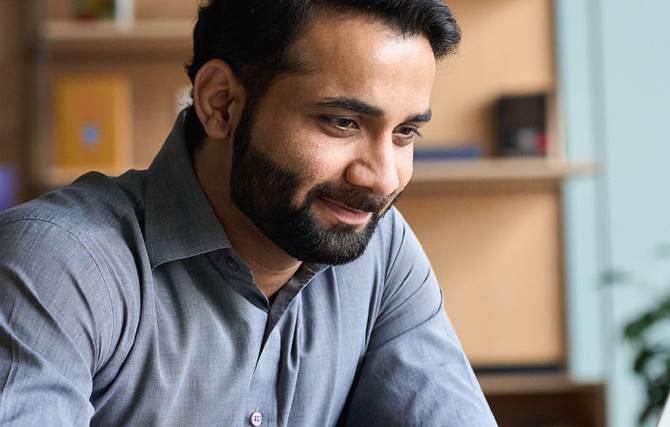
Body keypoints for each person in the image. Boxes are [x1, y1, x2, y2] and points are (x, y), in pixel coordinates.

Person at [0, 0, 497, 425]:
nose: (383, 178)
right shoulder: (60, 264)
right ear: (220, 104)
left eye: (405, 132)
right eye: (342, 122)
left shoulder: (381, 251)